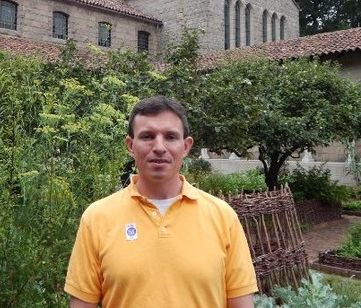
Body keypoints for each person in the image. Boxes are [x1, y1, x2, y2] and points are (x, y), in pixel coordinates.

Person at [64, 96, 258, 308]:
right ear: (130, 145)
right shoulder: (97, 218)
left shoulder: (223, 217)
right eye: (147, 136)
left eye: (170, 137)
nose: (159, 147)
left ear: (186, 146)